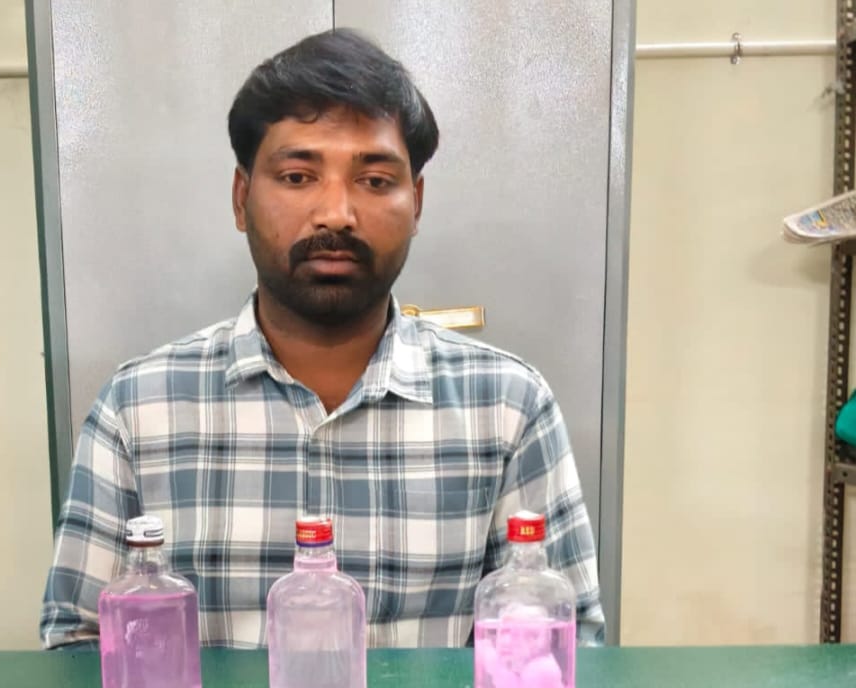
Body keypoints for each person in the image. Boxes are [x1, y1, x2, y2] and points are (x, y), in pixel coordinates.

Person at [41, 29, 604, 650]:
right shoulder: (138, 409)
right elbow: (79, 645)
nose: (336, 213)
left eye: (375, 181)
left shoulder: (507, 406)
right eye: (298, 175)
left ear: (416, 203)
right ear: (241, 199)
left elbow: (562, 646)